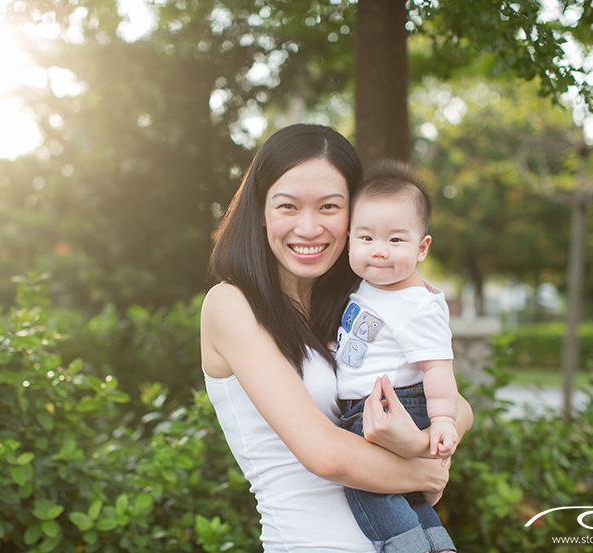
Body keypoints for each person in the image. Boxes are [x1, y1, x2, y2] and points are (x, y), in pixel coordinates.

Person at [200, 124, 472, 552]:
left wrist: (419, 441)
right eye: (287, 206)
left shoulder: (357, 305)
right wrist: (425, 471)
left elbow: (459, 407)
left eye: (329, 206)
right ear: (261, 211)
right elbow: (325, 454)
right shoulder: (231, 305)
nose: (308, 228)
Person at [335, 160, 458, 553]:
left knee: (367, 484)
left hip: (395, 407)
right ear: (350, 239)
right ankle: (437, 544)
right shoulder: (371, 286)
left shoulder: (417, 304)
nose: (379, 252)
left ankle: (405, 547)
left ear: (422, 247)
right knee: (405, 492)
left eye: (396, 240)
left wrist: (441, 421)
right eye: (366, 238)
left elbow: (438, 368)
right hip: (373, 406)